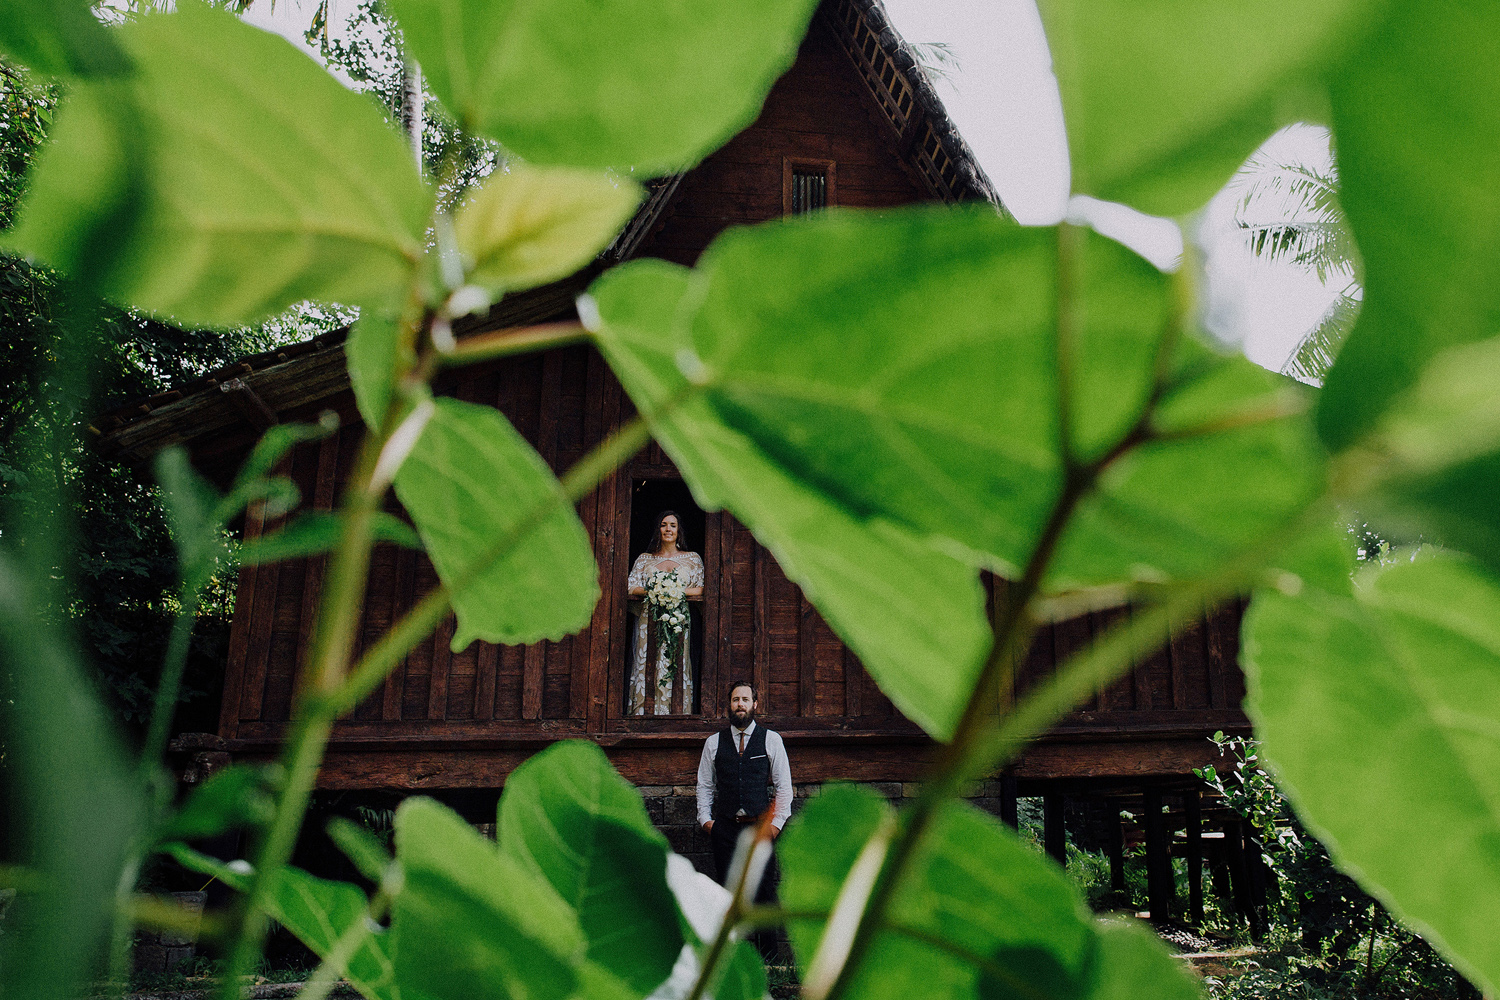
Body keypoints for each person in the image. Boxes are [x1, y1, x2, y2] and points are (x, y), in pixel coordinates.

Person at [696, 681, 792, 893]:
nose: (740, 704)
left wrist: (775, 826)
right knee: (726, 893)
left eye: (745, 699)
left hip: (759, 829)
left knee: (763, 894)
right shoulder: (713, 742)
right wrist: (706, 821)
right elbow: (705, 785)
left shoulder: (771, 740)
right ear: (729, 705)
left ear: (754, 704)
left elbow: (784, 787)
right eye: (736, 700)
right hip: (725, 829)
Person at [627, 510, 704, 715]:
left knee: (676, 662)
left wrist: (676, 591)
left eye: (672, 525)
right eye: (663, 525)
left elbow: (702, 588)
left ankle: (678, 712)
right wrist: (654, 590)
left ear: (679, 531)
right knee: (647, 663)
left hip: (679, 622)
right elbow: (631, 587)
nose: (668, 529)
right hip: (649, 621)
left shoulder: (692, 559)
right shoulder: (645, 559)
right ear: (658, 530)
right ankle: (642, 711)